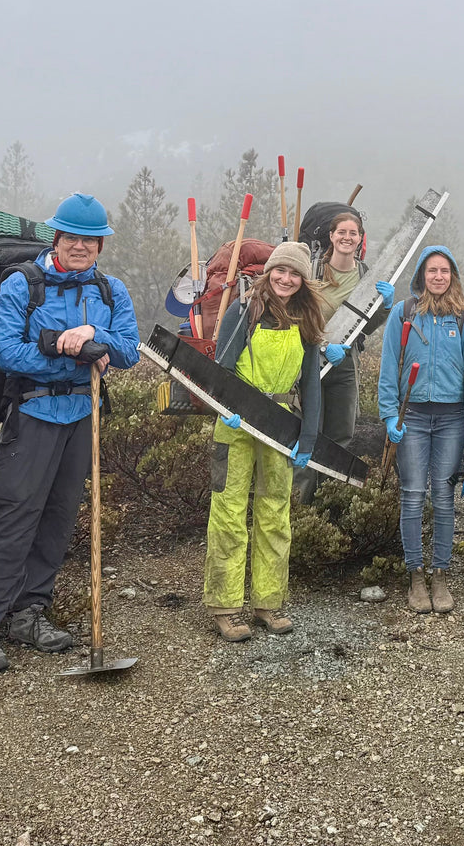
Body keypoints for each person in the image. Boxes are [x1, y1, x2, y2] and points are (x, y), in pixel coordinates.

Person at [0, 194, 139, 674]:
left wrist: (96, 343)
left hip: (84, 414)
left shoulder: (111, 291)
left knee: (59, 517)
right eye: (72, 237)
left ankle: (29, 612)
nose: (80, 247)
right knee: (14, 516)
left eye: (90, 240)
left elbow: (128, 350)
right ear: (56, 238)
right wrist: (64, 348)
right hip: (34, 412)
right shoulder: (24, 284)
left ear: (100, 246)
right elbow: (4, 352)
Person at [202, 240, 327, 641]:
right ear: (268, 272)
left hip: (279, 424)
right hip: (236, 423)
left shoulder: (307, 319)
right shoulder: (244, 310)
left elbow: (310, 384)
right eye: (280, 271)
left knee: (275, 514)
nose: (286, 279)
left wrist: (307, 437)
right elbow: (220, 370)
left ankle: (268, 605)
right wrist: (226, 410)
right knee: (229, 513)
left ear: (303, 281)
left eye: (294, 274)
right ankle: (224, 607)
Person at [377, 247, 464, 614]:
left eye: (444, 271)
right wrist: (390, 415)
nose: (438, 277)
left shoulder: (463, 315)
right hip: (413, 418)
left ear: (452, 275)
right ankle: (416, 576)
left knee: (442, 495)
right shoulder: (403, 314)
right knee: (411, 494)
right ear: (421, 275)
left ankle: (440, 575)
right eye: (431, 271)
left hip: (452, 418)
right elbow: (389, 364)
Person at [294, 206, 367, 503]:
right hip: (311, 361)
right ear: (332, 236)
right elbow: (298, 315)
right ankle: (300, 507)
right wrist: (323, 345)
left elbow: (368, 323)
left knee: (341, 436)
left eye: (353, 233)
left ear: (360, 238)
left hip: (346, 363)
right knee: (308, 434)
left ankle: (328, 508)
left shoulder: (365, 275)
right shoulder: (312, 271)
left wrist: (385, 305)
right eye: (342, 232)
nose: (347, 238)